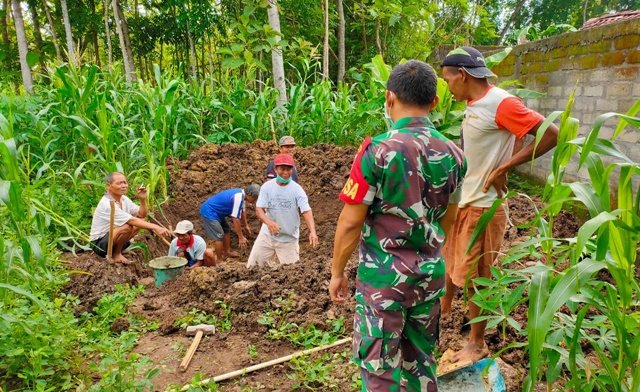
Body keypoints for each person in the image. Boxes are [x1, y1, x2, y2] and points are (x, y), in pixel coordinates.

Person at [329, 60, 467, 391]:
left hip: (383, 280)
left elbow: (350, 222)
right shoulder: (455, 156)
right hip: (429, 276)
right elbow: (450, 217)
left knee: (379, 369)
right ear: (434, 103)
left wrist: (337, 272)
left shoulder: (377, 151)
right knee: (421, 362)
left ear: (389, 98)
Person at [439, 46, 559, 363]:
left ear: (462, 75)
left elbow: (551, 133)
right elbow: (505, 137)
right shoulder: (476, 104)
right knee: (451, 262)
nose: (448, 89)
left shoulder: (501, 101)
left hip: (484, 206)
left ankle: (476, 343)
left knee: (477, 277)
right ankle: (445, 313)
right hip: (464, 200)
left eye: (448, 81)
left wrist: (505, 166)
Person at [247, 154, 319, 268]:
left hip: (288, 240)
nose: (285, 172)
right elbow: (259, 209)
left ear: (293, 169)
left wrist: (313, 232)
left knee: (292, 275)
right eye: (282, 169)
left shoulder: (297, 190)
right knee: (252, 268)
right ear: (275, 169)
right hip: (266, 237)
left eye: (289, 169)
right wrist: (268, 222)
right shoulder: (267, 187)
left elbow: (306, 211)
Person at [89, 172, 170, 264]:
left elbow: (141, 215)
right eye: (119, 183)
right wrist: (155, 227)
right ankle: (116, 254)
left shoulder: (123, 199)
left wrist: (142, 199)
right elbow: (132, 220)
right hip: (99, 245)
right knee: (127, 227)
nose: (123, 186)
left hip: (112, 239)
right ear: (108, 185)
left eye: (125, 182)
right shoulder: (107, 204)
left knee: (140, 222)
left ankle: (119, 249)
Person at [200, 184, 260, 262]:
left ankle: (227, 252)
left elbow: (242, 212)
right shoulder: (238, 198)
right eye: (255, 198)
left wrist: (246, 226)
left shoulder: (242, 196)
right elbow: (236, 219)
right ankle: (219, 259)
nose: (255, 201)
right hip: (209, 212)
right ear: (249, 195)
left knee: (226, 229)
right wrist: (241, 237)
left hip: (218, 213)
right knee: (219, 235)